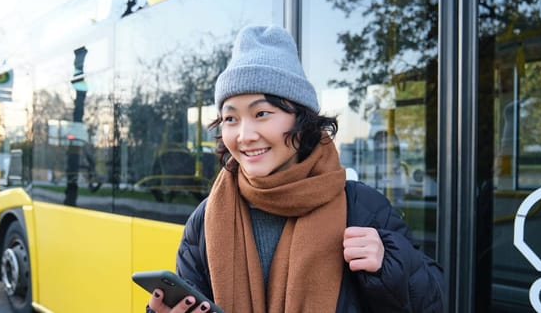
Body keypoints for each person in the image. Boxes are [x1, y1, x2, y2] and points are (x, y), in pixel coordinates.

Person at [147, 25, 444, 312]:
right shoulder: (206, 219)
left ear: (302, 121)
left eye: (262, 113)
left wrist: (389, 264)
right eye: (230, 119)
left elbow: (436, 301)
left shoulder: (364, 209)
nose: (244, 135)